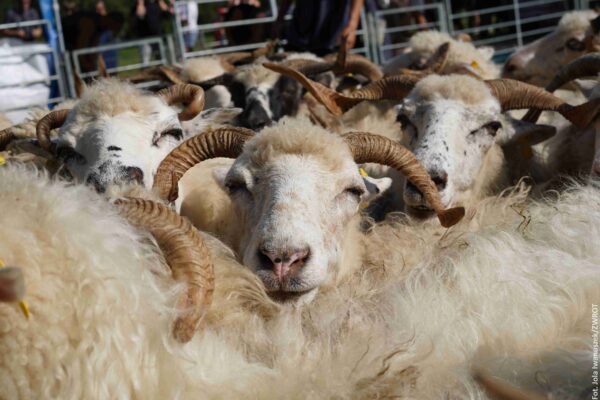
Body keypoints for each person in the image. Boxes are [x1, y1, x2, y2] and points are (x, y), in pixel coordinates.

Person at [271, 0, 365, 55]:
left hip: (333, 33)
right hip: (301, 33)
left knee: (330, 80)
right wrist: (279, 21)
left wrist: (352, 25)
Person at [132, 0, 172, 64]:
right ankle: (145, 72)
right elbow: (138, 16)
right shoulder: (141, 4)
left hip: (159, 36)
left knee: (163, 59)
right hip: (146, 38)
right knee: (145, 60)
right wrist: (140, 4)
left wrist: (165, 5)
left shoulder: (159, 3)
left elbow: (168, 16)